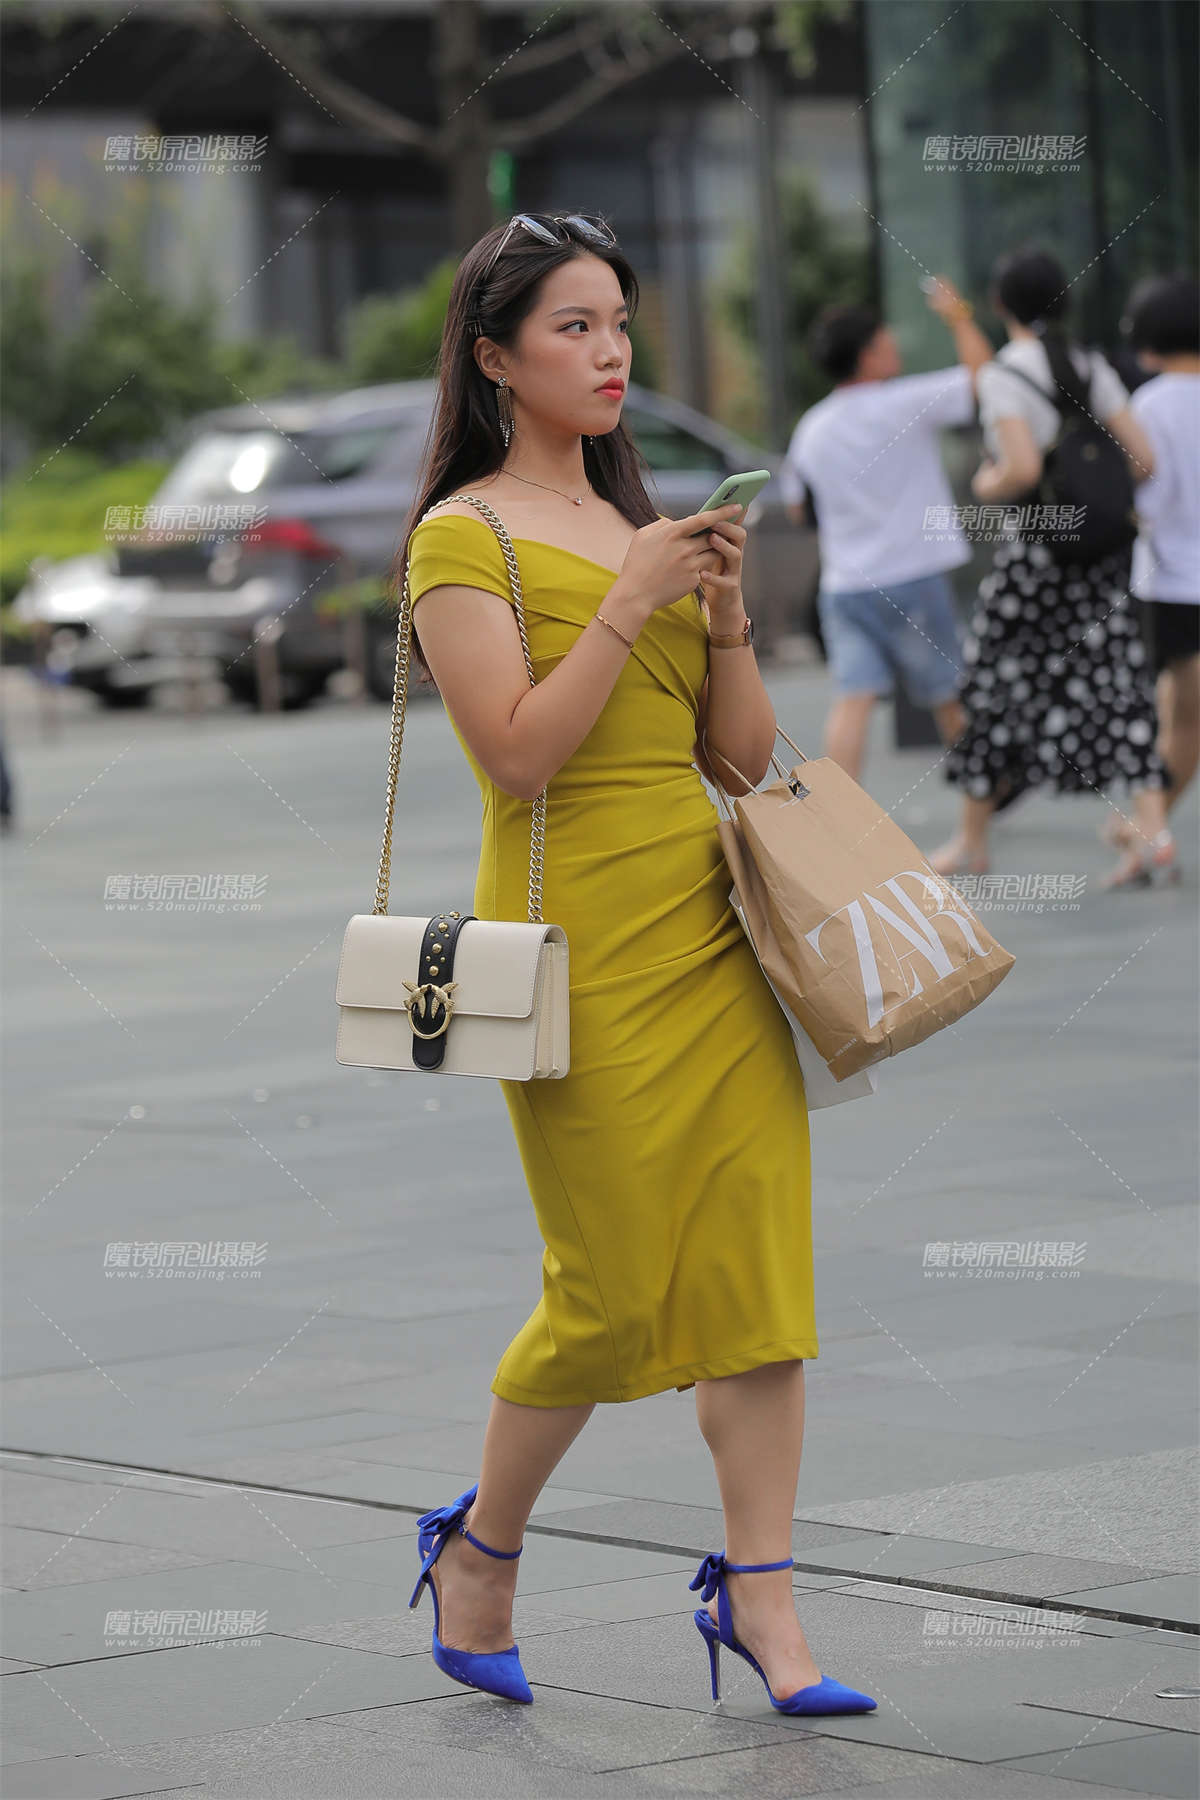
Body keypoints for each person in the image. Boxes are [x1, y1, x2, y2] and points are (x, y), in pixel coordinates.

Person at [393, 212, 876, 1718]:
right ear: (492, 360)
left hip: (711, 929)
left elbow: (736, 759)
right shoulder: (458, 536)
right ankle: (481, 1545)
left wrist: (724, 614)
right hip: (571, 949)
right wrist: (627, 603)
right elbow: (519, 760)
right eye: (573, 331)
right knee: (604, 1294)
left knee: (754, 1272)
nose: (610, 356)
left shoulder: (646, 523)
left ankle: (767, 1607)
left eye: (619, 325)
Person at [930, 245, 1176, 889]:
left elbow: (1020, 470)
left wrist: (984, 483)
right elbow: (1143, 458)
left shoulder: (1007, 374)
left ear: (1000, 306)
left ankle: (972, 841)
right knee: (1118, 680)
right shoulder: (1092, 363)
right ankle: (1154, 832)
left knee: (992, 683)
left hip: (1038, 557)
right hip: (1103, 556)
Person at [777, 277, 994, 781]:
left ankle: (843, 822)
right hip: (914, 576)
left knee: (852, 700)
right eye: (884, 340)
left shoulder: (812, 427)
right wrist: (959, 317)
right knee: (947, 697)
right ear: (868, 355)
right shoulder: (904, 402)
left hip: (846, 585)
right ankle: (978, 808)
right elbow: (984, 377)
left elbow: (796, 509)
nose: (892, 345)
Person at [1102, 274, 1199, 853]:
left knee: (1171, 710)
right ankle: (1145, 825)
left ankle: (1143, 827)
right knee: (1184, 715)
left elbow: (1139, 497)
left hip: (1167, 580)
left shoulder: (1149, 404)